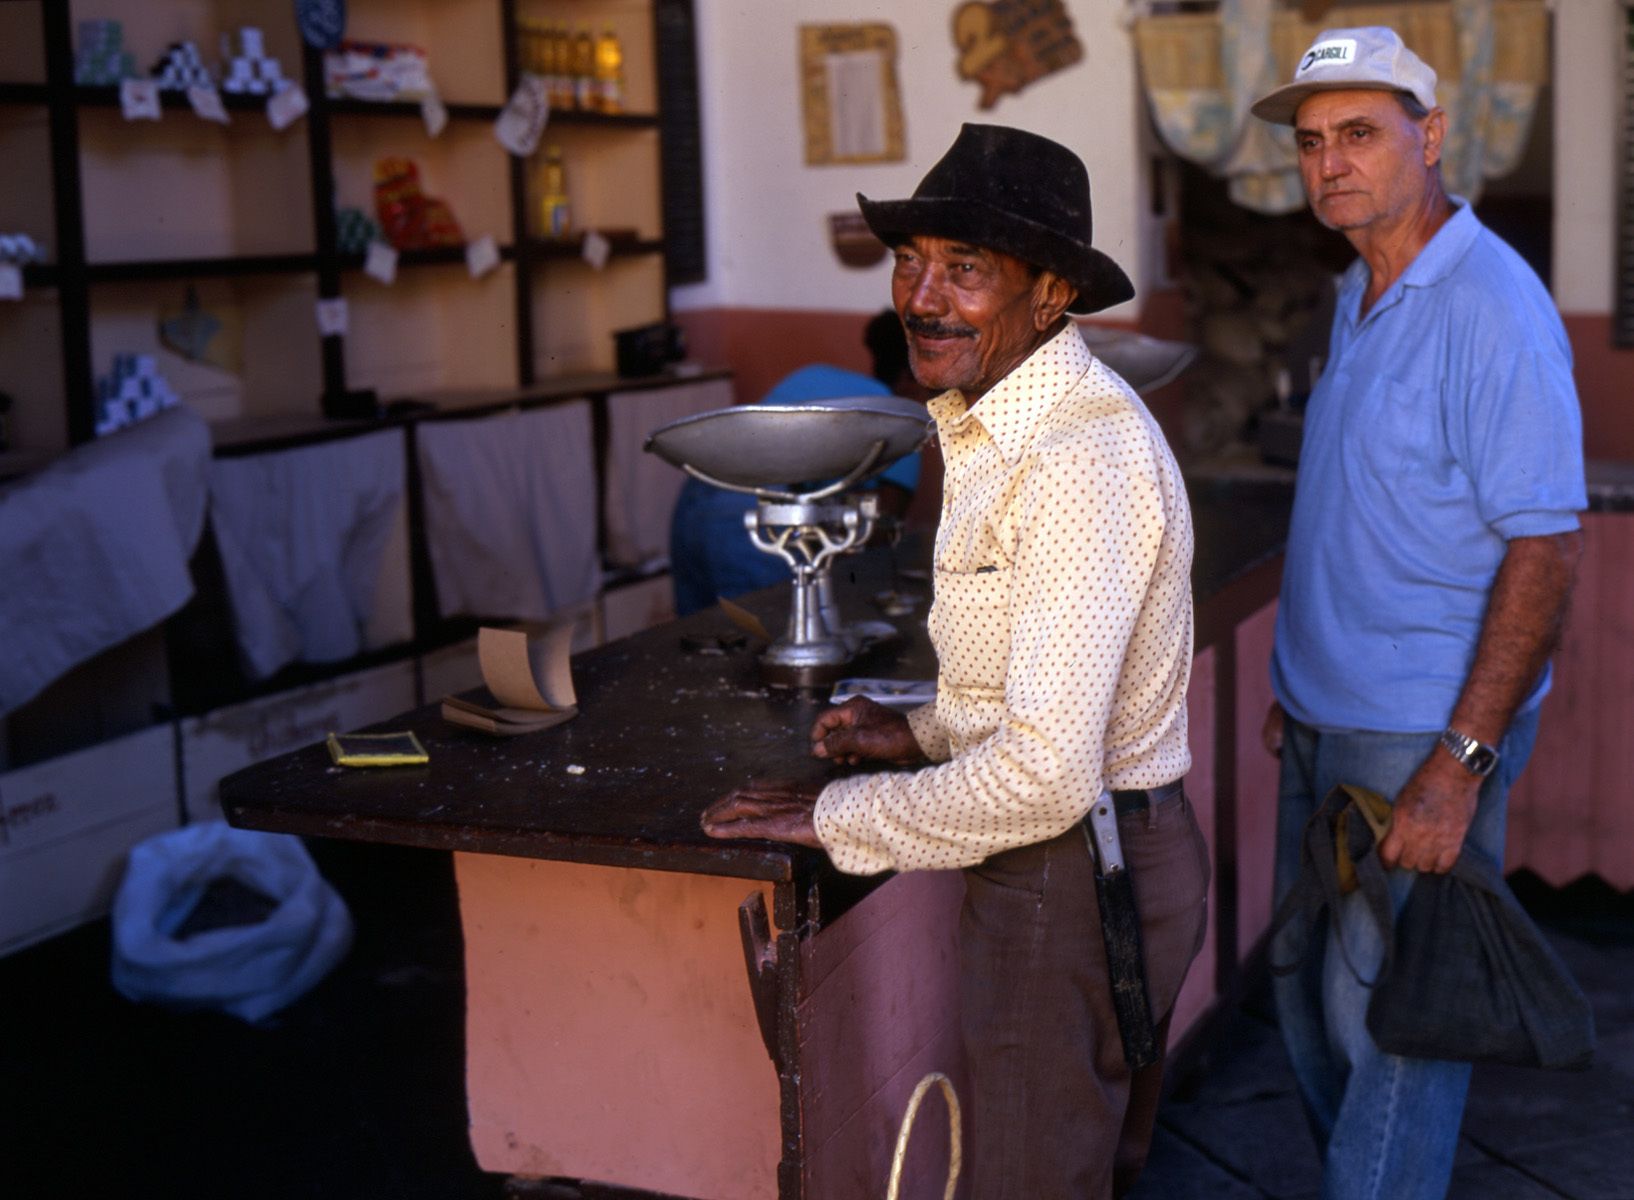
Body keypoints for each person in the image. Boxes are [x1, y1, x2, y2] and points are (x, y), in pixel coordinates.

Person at [699, 123, 1207, 1199]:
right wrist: (920, 731)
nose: (921, 298)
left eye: (965, 270)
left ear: (1050, 293)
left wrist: (835, 819)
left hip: (1071, 873)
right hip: (1087, 856)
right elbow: (1045, 692)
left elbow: (1048, 775)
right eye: (910, 262)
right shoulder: (999, 427)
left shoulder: (1075, 455)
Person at [1250, 27, 1586, 1200]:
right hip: (1325, 712)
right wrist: (1296, 687)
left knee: (1394, 1017)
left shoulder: (1488, 304)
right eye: (1309, 142)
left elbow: (1544, 552)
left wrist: (1462, 758)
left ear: (1429, 136)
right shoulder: (1359, 286)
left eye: (1358, 133)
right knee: (1304, 993)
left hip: (1419, 730)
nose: (1329, 162)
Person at [668, 315, 924, 617]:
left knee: (698, 637)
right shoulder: (899, 419)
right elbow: (882, 531)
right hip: (755, 514)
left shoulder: (815, 375)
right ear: (911, 375)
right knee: (760, 640)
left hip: (696, 495)